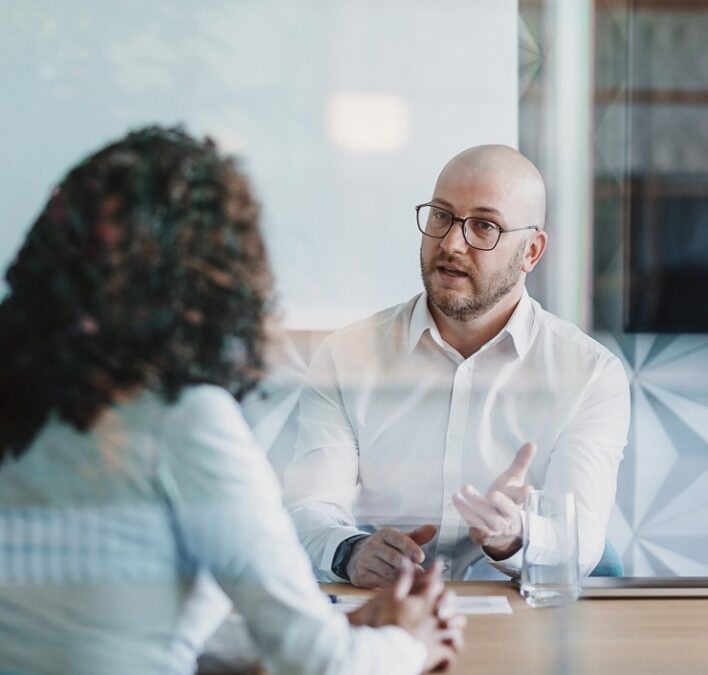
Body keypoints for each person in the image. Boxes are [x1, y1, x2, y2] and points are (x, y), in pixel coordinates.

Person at [0, 127, 464, 674]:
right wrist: (409, 643)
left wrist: (339, 630)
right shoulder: (182, 421)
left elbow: (121, 627)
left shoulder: (25, 398)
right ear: (206, 277)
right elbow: (323, 668)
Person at [283, 145, 630, 586]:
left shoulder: (591, 374)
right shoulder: (346, 356)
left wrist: (512, 536)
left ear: (531, 251)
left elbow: (581, 539)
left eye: (483, 226)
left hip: (526, 624)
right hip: (387, 618)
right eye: (441, 216)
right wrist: (351, 552)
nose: (450, 244)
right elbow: (307, 508)